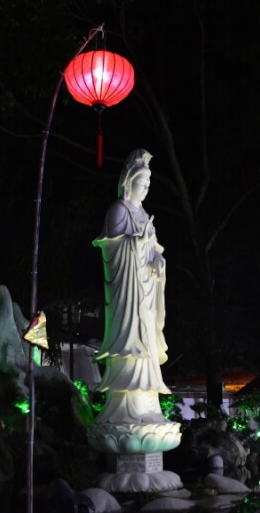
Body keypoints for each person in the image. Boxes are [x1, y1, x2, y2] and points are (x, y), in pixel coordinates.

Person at [92, 149, 170, 425]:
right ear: (128, 182)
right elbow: (112, 250)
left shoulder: (144, 214)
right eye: (142, 182)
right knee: (131, 343)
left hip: (146, 295)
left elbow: (155, 251)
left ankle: (148, 406)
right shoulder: (118, 210)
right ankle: (123, 410)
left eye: (149, 183)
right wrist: (136, 244)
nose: (146, 188)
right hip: (128, 295)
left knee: (146, 345)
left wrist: (158, 262)